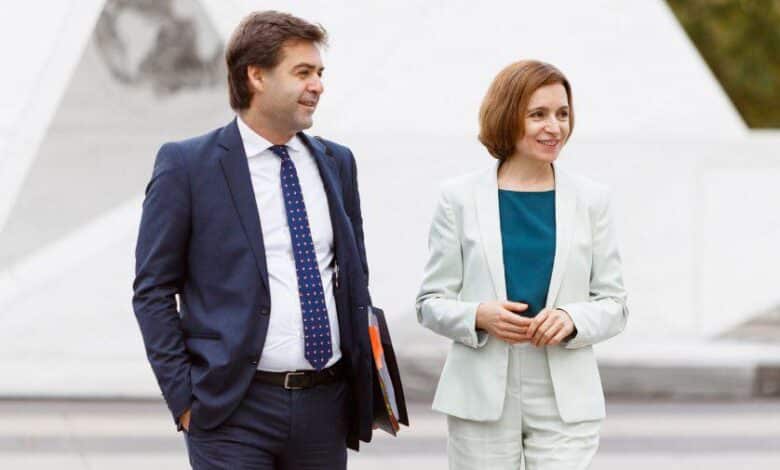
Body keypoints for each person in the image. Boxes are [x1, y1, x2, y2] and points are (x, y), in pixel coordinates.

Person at [132, 11, 376, 469]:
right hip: (232, 412)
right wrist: (185, 400)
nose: (318, 85)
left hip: (325, 408)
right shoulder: (188, 166)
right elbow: (153, 290)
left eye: (320, 73)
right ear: (256, 76)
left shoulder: (337, 163)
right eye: (303, 72)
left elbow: (354, 274)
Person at [416, 60, 628, 469]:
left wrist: (571, 318)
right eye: (538, 114)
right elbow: (429, 303)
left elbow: (615, 304)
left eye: (562, 114)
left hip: (565, 395)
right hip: (481, 393)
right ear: (507, 116)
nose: (554, 127)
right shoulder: (458, 198)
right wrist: (479, 315)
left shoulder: (592, 199)